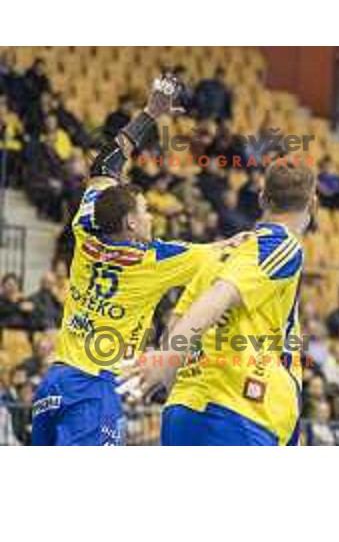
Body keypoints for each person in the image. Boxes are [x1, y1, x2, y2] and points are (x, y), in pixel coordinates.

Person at [31, 75, 246, 446]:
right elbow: (224, 249)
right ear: (131, 223)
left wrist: (149, 113)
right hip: (94, 391)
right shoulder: (154, 260)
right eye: (145, 211)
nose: (151, 217)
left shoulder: (86, 225)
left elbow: (105, 165)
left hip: (55, 382)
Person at [121, 162, 317, 446]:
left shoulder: (223, 250)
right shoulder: (282, 245)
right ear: (313, 202)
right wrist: (167, 358)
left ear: (262, 198)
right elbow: (221, 295)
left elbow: (176, 325)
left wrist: (176, 378)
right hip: (242, 408)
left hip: (184, 408)